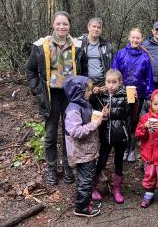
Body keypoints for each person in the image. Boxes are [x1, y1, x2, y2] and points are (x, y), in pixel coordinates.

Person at [26, 11, 81, 185]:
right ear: (53, 25)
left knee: (69, 132)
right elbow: (31, 69)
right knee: (50, 133)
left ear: (69, 26)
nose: (62, 27)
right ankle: (51, 168)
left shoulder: (77, 46)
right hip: (51, 95)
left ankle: (67, 166)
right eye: (59, 24)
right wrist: (36, 89)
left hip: (70, 95)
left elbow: (83, 69)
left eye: (65, 24)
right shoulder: (42, 45)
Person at [89, 69, 134, 204]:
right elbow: (93, 106)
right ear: (105, 82)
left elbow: (128, 113)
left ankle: (117, 189)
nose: (111, 85)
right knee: (102, 160)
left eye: (114, 82)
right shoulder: (102, 95)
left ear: (120, 83)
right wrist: (93, 94)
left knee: (118, 162)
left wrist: (133, 101)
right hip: (106, 134)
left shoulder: (124, 95)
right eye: (108, 82)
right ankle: (93, 187)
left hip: (121, 134)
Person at [112, 27, 154, 162]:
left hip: (138, 94)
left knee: (134, 121)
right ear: (129, 38)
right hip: (123, 94)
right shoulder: (120, 54)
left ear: (141, 39)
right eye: (133, 37)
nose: (135, 40)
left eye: (138, 38)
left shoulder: (144, 57)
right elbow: (115, 73)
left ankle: (131, 149)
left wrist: (149, 95)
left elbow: (149, 77)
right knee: (123, 120)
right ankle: (123, 148)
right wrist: (115, 89)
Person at [63, 76, 103, 217]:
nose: (90, 92)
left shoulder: (83, 104)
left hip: (86, 150)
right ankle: (82, 208)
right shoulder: (73, 109)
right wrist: (95, 124)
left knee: (86, 177)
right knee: (86, 179)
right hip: (81, 152)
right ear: (79, 92)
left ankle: (85, 201)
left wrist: (99, 117)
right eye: (88, 90)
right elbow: (76, 132)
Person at [78, 17, 112, 84]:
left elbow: (110, 66)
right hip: (84, 83)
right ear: (88, 27)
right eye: (94, 26)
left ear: (101, 30)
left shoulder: (106, 45)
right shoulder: (79, 43)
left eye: (99, 27)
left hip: (102, 84)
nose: (96, 29)